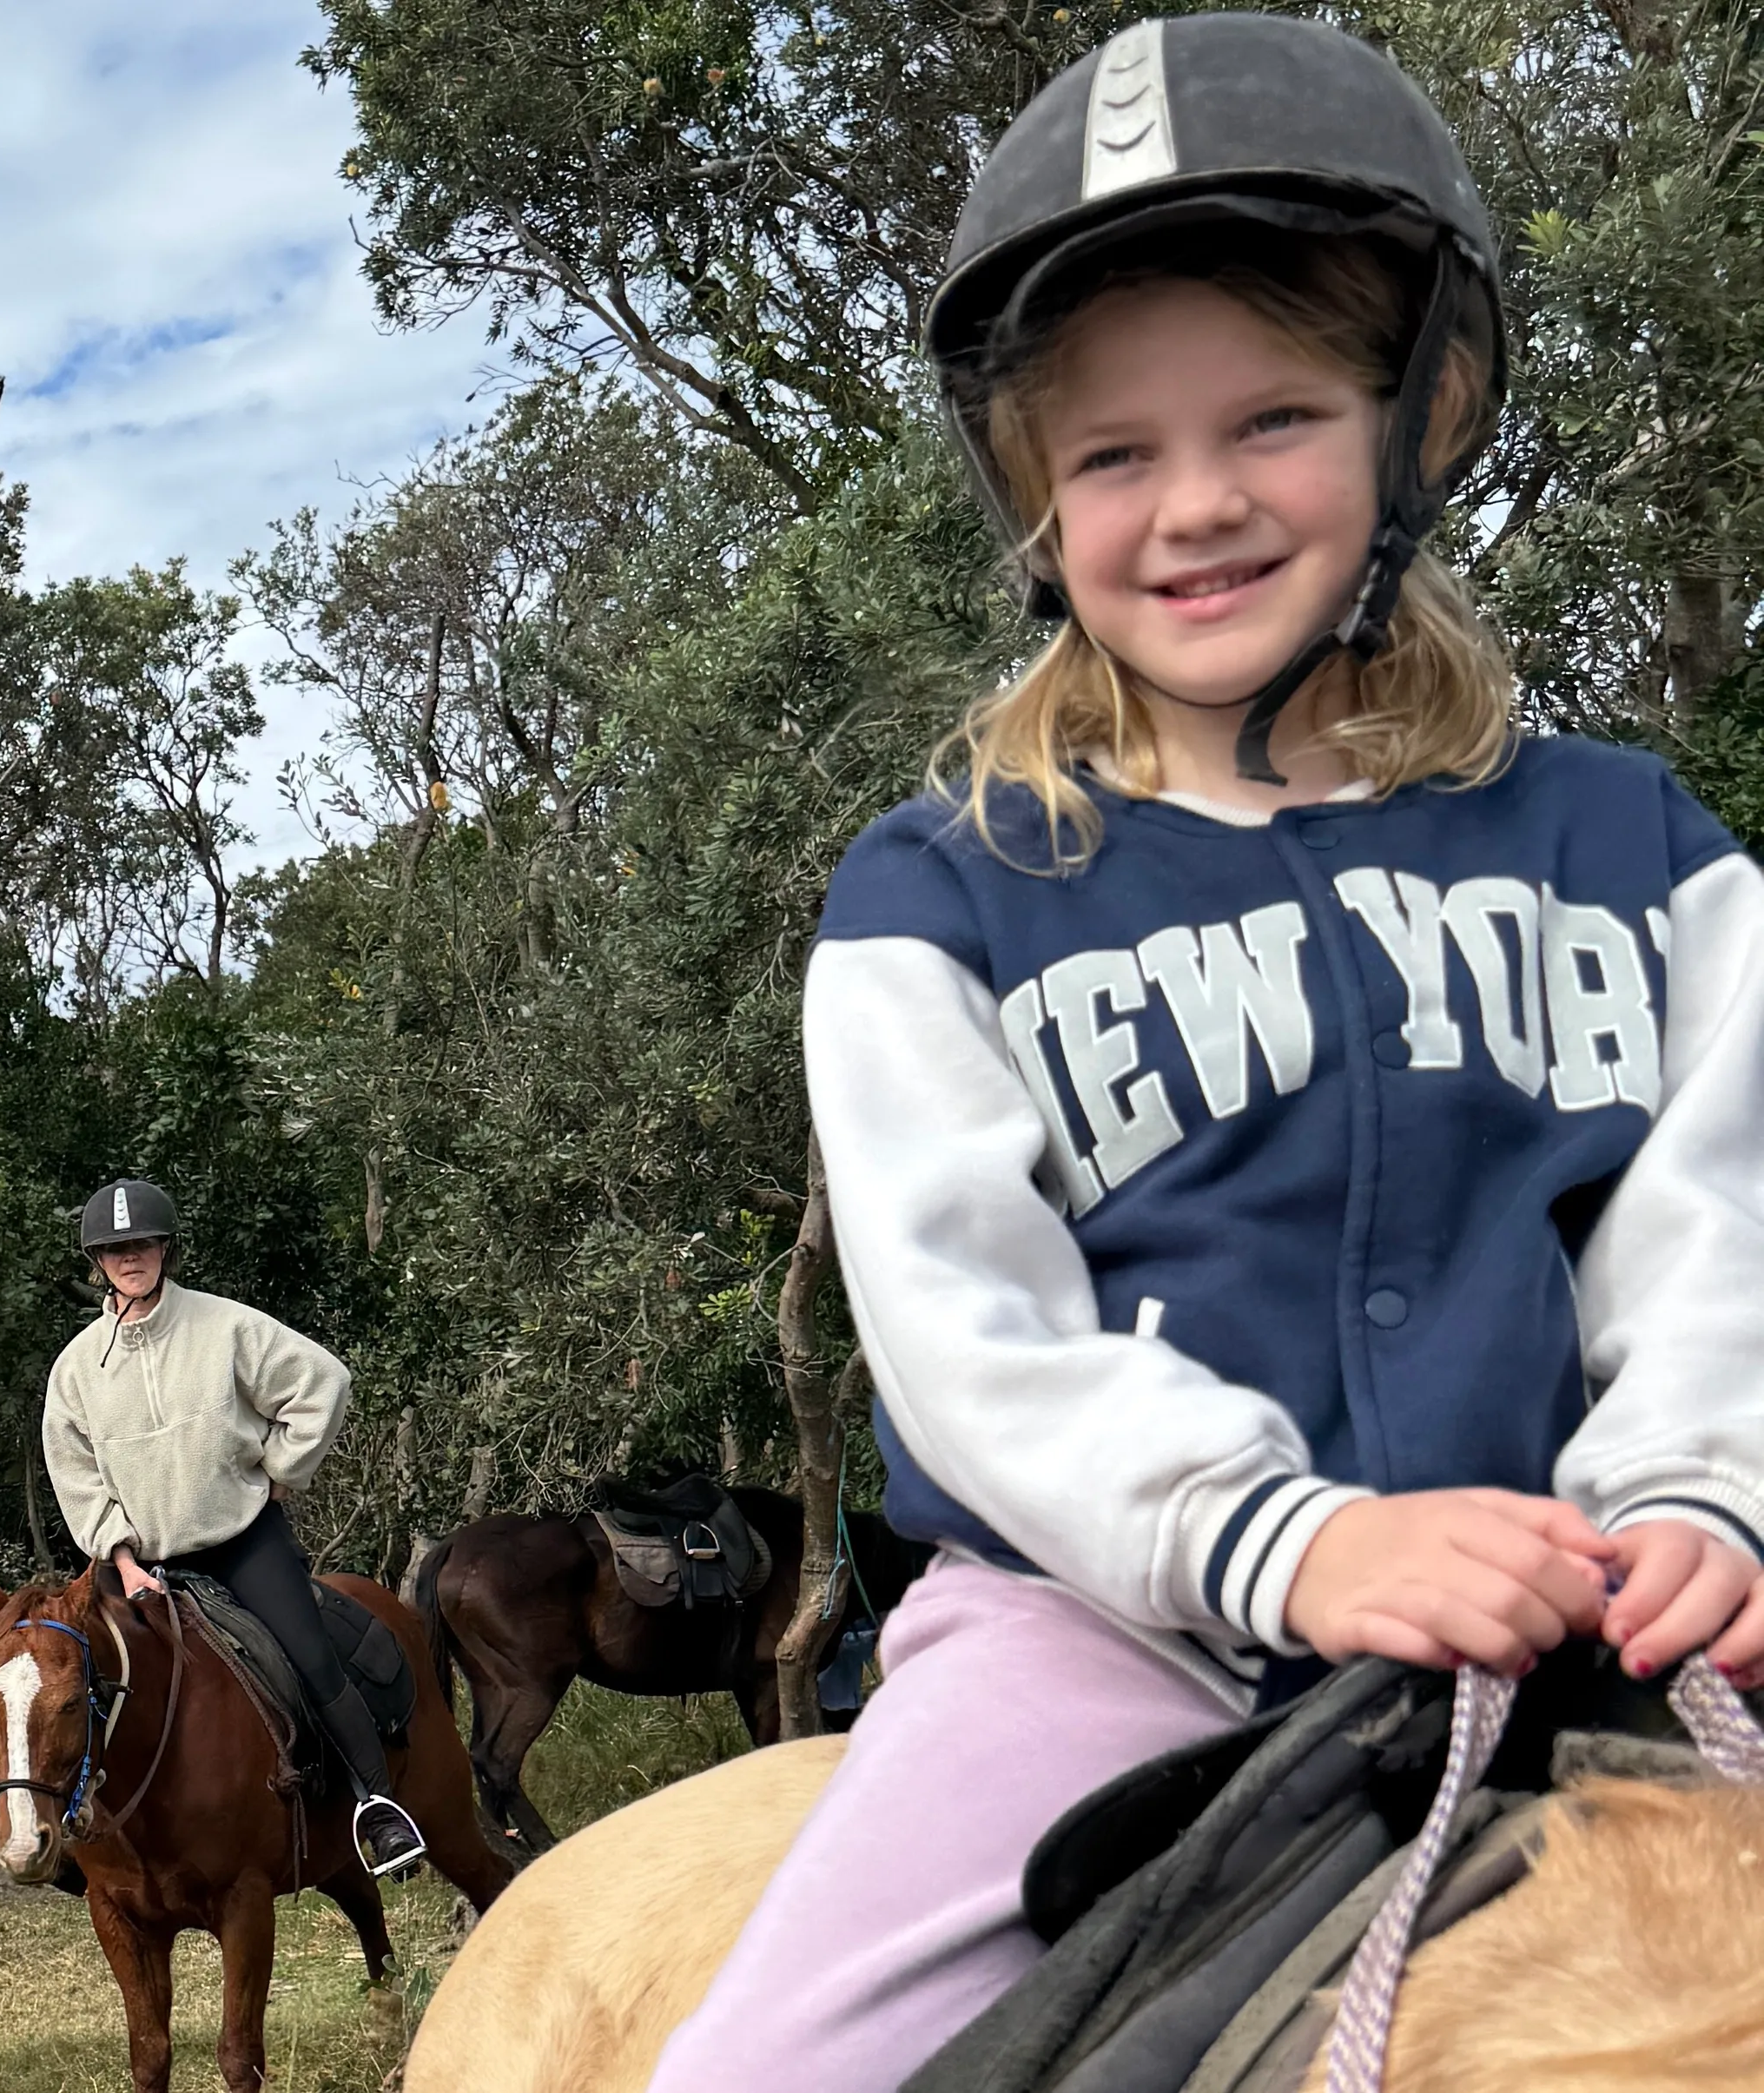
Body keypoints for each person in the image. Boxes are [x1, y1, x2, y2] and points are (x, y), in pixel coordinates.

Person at [649, 17, 1764, 2087]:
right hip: (1113, 1631)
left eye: (1274, 415)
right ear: (1036, 501)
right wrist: (1294, 1535)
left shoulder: (1644, 853)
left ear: (1417, 421)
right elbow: (969, 1330)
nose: (1197, 505)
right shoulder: (941, 896)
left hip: (1597, 1592)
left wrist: (1704, 1495)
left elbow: (1717, 1233)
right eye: (1113, 454)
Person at [39, 1177, 429, 1877]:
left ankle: (378, 1810)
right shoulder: (75, 1371)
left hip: (241, 1545)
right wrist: (121, 1559)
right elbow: (76, 1472)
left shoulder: (228, 1327)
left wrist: (281, 1468)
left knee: (311, 1657)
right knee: (67, 1675)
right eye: (117, 1249)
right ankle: (76, 1834)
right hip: (137, 1563)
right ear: (98, 1261)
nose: (133, 1258)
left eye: (144, 1244)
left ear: (166, 1248)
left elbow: (324, 1382)